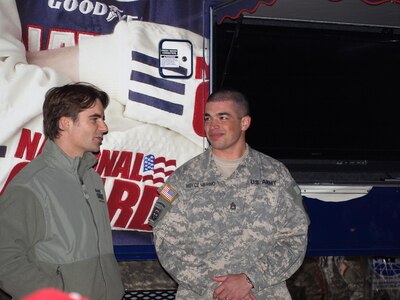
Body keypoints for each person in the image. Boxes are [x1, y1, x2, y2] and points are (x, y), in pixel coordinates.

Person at [149, 89, 310, 299]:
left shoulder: (275, 174)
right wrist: (219, 291)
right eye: (208, 118)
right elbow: (167, 242)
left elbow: (295, 237)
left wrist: (250, 279)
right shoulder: (183, 178)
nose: (213, 125)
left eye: (223, 117)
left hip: (262, 294)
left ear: (244, 123)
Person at [0, 83, 125, 300]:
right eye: (94, 119)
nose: (104, 127)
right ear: (65, 123)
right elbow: (5, 260)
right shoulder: (30, 185)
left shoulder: (91, 178)